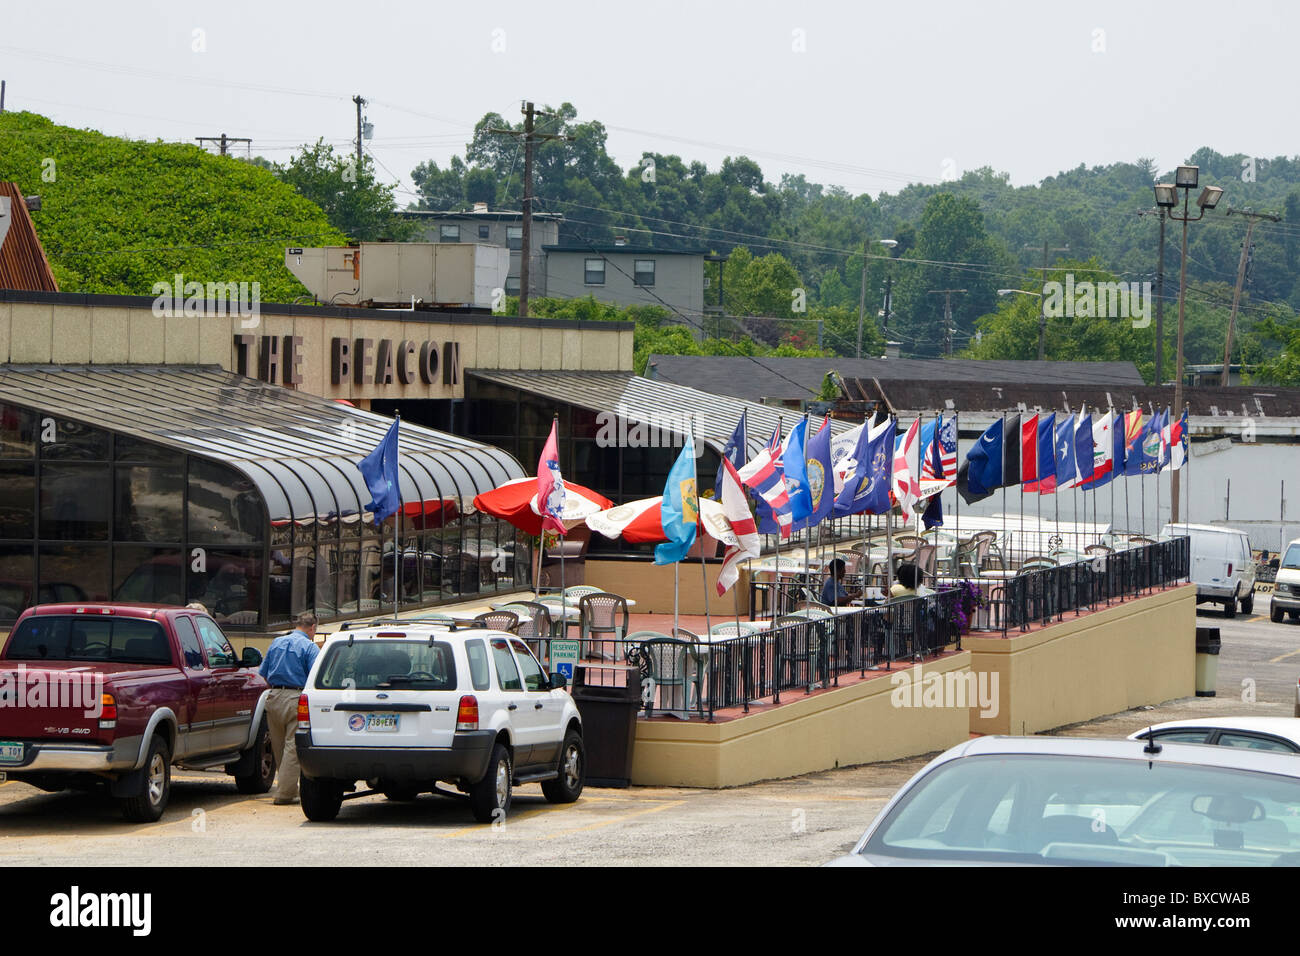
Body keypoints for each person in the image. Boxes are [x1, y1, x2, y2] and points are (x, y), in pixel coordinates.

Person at [259, 611, 320, 806]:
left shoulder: (276, 642)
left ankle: (288, 788)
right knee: (292, 747)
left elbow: (264, 672)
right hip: (295, 697)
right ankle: (285, 793)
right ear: (312, 628)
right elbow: (315, 675)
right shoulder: (309, 647)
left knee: (278, 747)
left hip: (274, 697)